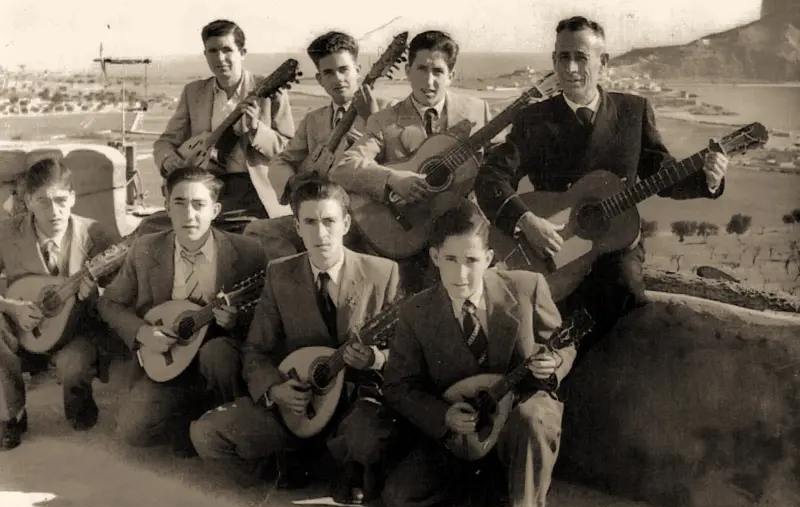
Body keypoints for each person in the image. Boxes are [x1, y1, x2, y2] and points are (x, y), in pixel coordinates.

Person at [474, 15, 728, 345]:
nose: (571, 68)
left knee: (626, 297)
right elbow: (491, 177)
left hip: (613, 247)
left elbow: (663, 175)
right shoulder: (534, 119)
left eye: (581, 57)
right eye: (563, 57)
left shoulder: (633, 111)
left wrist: (707, 179)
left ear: (603, 62)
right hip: (550, 249)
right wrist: (526, 221)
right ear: (553, 60)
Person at [378, 199, 574, 507]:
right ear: (435, 256)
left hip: (519, 415)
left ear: (489, 258)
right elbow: (397, 385)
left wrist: (554, 362)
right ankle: (481, 492)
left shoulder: (526, 287)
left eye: (471, 260)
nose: (461, 274)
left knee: (532, 417)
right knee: (401, 498)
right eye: (450, 260)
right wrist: (444, 415)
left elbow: (563, 343)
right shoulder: (416, 312)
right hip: (463, 428)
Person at [189, 177, 400, 499]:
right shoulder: (280, 273)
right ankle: (294, 466)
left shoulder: (382, 273)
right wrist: (275, 389)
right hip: (296, 403)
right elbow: (256, 349)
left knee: (371, 440)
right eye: (310, 222)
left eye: (329, 221)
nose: (320, 233)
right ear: (298, 228)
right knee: (206, 434)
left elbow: (407, 353)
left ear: (346, 224)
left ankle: (322, 460)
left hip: (353, 405)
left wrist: (376, 358)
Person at [97, 166, 266, 455]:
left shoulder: (248, 251)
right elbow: (109, 303)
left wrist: (237, 320)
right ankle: (188, 420)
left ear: (215, 210)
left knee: (218, 354)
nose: (189, 215)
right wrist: (142, 333)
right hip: (168, 357)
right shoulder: (145, 249)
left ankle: (227, 422)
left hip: (220, 362)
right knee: (133, 430)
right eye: (180, 203)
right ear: (166, 207)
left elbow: (267, 316)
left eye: (199, 205)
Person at [328, 30, 493, 292]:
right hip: (407, 233)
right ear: (408, 71)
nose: (429, 81)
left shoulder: (476, 111)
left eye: (438, 71)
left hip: (461, 234)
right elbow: (342, 168)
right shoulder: (385, 120)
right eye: (421, 69)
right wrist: (392, 179)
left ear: (451, 75)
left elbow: (499, 163)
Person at [0, 158, 119, 450]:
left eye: (61, 200)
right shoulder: (6, 233)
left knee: (73, 369)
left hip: (75, 332)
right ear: (28, 200)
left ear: (73, 197)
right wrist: (11, 306)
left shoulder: (96, 234)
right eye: (43, 201)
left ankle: (79, 400)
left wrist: (97, 291)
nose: (54, 211)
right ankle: (12, 415)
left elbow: (123, 291)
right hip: (23, 330)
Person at [244, 30, 393, 261]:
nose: (337, 79)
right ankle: (303, 273)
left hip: (369, 220)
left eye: (343, 69)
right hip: (321, 219)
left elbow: (400, 162)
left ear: (358, 70)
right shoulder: (313, 120)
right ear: (319, 79)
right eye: (328, 73)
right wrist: (292, 182)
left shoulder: (388, 110)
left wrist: (371, 120)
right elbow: (282, 159)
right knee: (257, 231)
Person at [149, 19, 295, 233]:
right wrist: (168, 159)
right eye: (213, 51)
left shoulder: (269, 91)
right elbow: (165, 142)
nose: (220, 58)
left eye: (227, 50)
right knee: (151, 228)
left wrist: (256, 130)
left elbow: (288, 150)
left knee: (237, 238)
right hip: (202, 187)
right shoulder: (194, 92)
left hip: (251, 192)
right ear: (205, 54)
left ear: (242, 53)